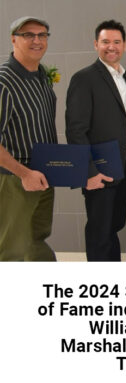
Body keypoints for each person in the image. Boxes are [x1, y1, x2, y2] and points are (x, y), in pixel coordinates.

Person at [65, 20, 126, 262]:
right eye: (106, 42)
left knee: (114, 225)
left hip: (124, 163)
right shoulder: (84, 78)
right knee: (99, 230)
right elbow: (76, 130)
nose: (111, 47)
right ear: (96, 44)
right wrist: (88, 172)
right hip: (99, 167)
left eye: (117, 42)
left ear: (124, 45)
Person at [0, 16, 57, 261]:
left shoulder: (42, 75)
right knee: (13, 249)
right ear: (13, 39)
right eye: (28, 35)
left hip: (43, 176)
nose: (37, 40)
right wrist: (24, 174)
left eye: (42, 35)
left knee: (36, 240)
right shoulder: (4, 81)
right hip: (15, 180)